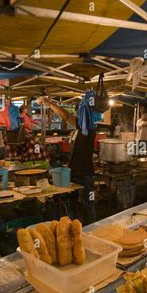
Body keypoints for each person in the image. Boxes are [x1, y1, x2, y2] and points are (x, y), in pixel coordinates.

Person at [39, 96, 96, 225]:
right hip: (74, 173)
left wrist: (50, 104)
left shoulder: (89, 128)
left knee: (88, 204)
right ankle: (76, 227)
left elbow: (65, 116)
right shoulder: (77, 130)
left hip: (85, 174)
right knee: (74, 203)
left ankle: (92, 230)